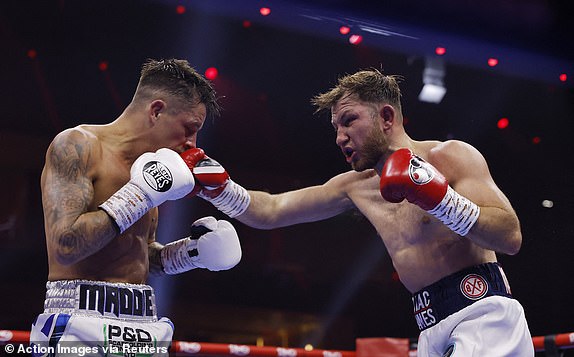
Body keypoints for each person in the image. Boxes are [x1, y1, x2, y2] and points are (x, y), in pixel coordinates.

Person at [183, 69, 534, 356]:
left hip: (483, 315)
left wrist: (439, 198)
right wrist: (221, 189)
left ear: (386, 117)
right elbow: (273, 209)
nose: (340, 137)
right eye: (336, 127)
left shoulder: (451, 157)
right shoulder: (355, 185)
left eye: (349, 121)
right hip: (431, 327)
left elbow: (510, 236)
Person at [31, 58, 242, 356]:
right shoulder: (78, 145)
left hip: (142, 324)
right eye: (189, 128)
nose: (192, 144)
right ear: (156, 110)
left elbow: (140, 252)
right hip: (77, 323)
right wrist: (140, 194)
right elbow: (66, 245)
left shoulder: (150, 167)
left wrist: (191, 254)